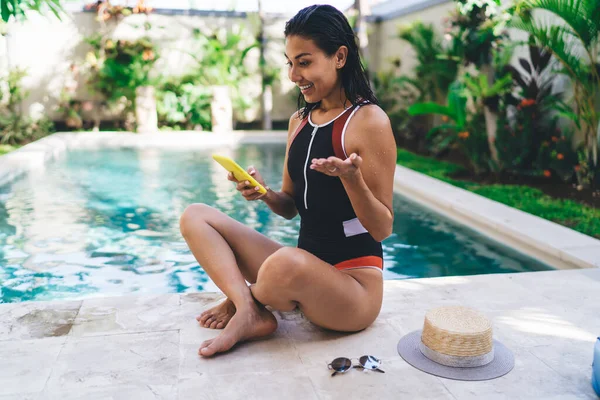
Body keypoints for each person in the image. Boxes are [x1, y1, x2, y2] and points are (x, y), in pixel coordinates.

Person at [179, 4, 396, 357]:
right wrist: (264, 193)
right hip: (303, 267)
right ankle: (249, 308)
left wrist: (352, 179)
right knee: (195, 216)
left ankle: (244, 303)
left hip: (354, 290)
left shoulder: (369, 121)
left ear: (339, 57)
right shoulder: (299, 121)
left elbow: (382, 228)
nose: (294, 75)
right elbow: (290, 207)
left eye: (305, 62)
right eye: (290, 63)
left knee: (284, 263)